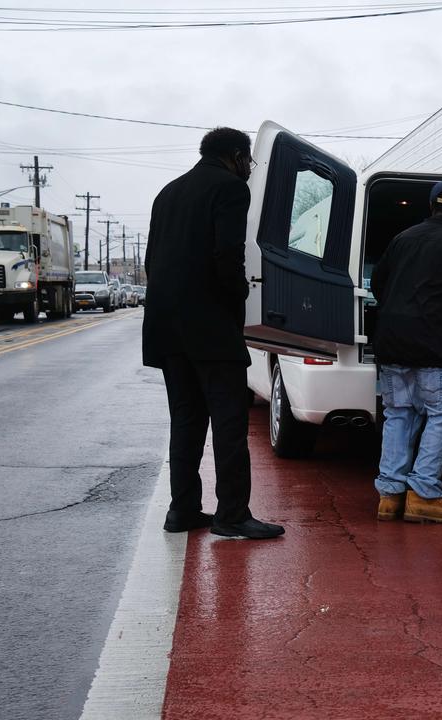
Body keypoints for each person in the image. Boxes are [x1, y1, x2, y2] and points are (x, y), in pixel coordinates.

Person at [143, 127, 284, 540]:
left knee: (185, 421)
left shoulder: (167, 193)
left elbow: (154, 259)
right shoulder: (230, 190)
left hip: (167, 328)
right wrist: (242, 292)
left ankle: (182, 509)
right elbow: (228, 255)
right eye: (248, 161)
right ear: (237, 156)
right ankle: (232, 514)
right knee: (228, 422)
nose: (248, 169)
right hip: (210, 329)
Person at [371, 179, 442, 524]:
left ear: (431, 206)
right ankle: (423, 494)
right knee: (440, 414)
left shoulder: (402, 239)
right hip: (433, 346)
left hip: (392, 344)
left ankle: (390, 495)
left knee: (398, 414)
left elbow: (379, 283)